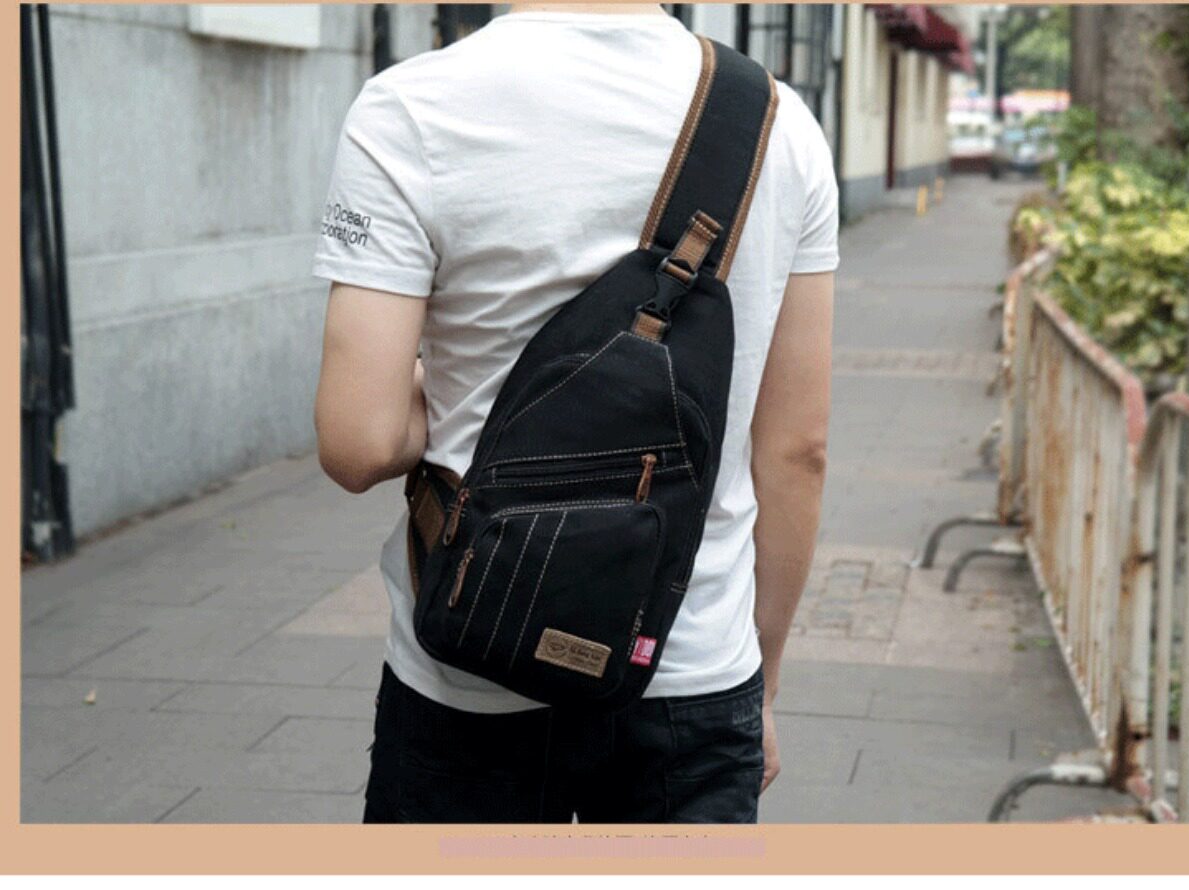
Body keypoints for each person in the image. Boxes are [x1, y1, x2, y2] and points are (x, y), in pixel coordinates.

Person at [312, 2, 836, 824]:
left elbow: (358, 442)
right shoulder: (779, 124)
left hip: (471, 665)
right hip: (690, 673)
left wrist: (439, 390)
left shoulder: (411, 108)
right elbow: (797, 450)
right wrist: (761, 681)